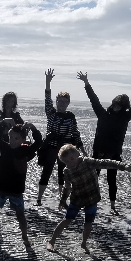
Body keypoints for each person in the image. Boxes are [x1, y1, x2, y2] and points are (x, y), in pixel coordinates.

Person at [78, 71, 131, 213]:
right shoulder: (102, 114)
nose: (117, 107)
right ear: (113, 103)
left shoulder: (125, 116)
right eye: (116, 104)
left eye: (121, 105)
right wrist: (86, 83)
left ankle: (112, 206)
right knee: (93, 178)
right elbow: (93, 99)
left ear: (124, 107)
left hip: (114, 153)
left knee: (112, 180)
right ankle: (89, 203)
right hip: (99, 151)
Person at [47, 144, 131, 253]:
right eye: (66, 162)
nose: (70, 163)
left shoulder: (87, 162)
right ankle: (51, 241)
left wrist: (123, 166)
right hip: (77, 199)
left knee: (88, 223)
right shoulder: (67, 171)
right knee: (67, 220)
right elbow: (67, 187)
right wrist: (63, 200)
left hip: (91, 198)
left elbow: (106, 163)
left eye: (71, 159)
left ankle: (84, 243)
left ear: (77, 154)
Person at [0, 120, 43, 246]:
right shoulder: (5, 147)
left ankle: (24, 237)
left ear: (22, 140)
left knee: (21, 216)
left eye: (16, 138)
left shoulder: (25, 151)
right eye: (11, 137)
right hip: (1, 188)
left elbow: (39, 142)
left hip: (16, 191)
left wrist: (32, 127)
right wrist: (3, 122)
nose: (12, 140)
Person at [37, 68, 82, 206]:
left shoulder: (70, 116)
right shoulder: (51, 113)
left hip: (65, 148)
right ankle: (39, 198)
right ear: (57, 102)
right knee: (47, 171)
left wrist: (80, 148)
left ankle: (62, 200)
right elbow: (47, 100)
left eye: (64, 101)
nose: (62, 103)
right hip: (51, 147)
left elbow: (75, 132)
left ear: (68, 103)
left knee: (63, 174)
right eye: (60, 101)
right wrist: (47, 83)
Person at [0, 91, 25, 168]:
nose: (9, 103)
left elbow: (22, 127)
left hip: (12, 144)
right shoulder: (0, 113)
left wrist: (13, 126)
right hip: (0, 144)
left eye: (12, 101)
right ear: (4, 101)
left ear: (14, 103)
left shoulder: (16, 116)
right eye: (8, 100)